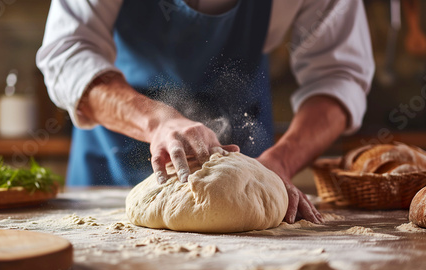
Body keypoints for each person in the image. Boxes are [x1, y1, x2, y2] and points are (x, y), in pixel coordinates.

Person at [37, 0, 374, 224]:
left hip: (248, 158)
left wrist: (280, 163)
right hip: (114, 153)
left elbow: (339, 75)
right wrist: (156, 121)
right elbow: (67, 52)